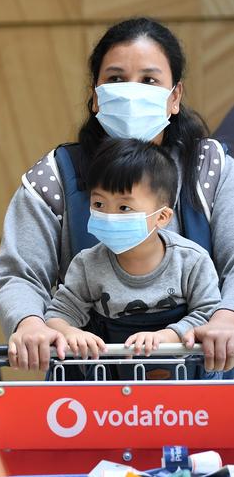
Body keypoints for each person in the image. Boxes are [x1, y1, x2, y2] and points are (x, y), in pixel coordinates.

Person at [0, 16, 234, 374]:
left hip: (200, 388)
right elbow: (18, 274)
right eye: (116, 79)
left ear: (175, 96)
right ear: (95, 96)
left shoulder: (211, 166)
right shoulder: (57, 175)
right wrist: (30, 322)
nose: (132, 92)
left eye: (149, 80)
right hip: (89, 390)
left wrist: (226, 318)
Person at [44, 138, 220, 379]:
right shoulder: (87, 265)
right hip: (114, 397)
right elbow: (57, 315)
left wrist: (168, 337)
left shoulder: (192, 261)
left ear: (162, 217)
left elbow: (209, 314)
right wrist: (70, 332)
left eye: (124, 208)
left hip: (187, 397)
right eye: (99, 203)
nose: (108, 215)